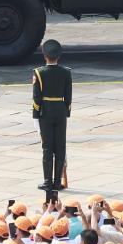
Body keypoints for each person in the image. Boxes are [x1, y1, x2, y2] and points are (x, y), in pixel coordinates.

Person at [32, 39, 72, 192]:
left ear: (44, 56)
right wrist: (66, 112)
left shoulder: (39, 73)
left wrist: (35, 114)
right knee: (60, 147)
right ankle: (57, 182)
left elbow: (37, 97)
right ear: (59, 56)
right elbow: (68, 96)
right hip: (60, 111)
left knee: (47, 148)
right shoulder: (66, 72)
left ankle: (47, 181)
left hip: (46, 112)